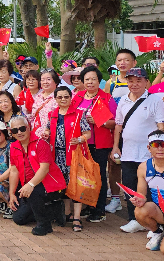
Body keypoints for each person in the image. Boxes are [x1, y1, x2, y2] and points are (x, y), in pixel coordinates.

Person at [113, 67, 164, 233]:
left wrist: (158, 149)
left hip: (148, 154)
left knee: (150, 188)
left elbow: (162, 127)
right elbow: (118, 125)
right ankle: (134, 218)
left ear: (146, 82)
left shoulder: (155, 101)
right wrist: (116, 146)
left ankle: (153, 222)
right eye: (131, 81)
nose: (134, 84)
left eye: (139, 80)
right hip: (128, 152)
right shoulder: (123, 100)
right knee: (130, 186)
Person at [71, 66, 117, 223]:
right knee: (84, 175)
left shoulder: (107, 98)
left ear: (99, 81)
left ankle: (99, 209)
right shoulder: (78, 97)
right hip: (81, 143)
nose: (90, 82)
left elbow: (115, 123)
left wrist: (100, 122)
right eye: (87, 79)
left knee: (99, 176)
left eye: (93, 79)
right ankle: (88, 205)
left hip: (100, 144)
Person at [42, 85, 91, 232]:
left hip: (74, 155)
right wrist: (45, 133)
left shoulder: (78, 114)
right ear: (55, 99)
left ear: (71, 98)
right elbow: (47, 129)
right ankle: (67, 213)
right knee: (62, 185)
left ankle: (77, 218)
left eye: (66, 97)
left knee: (75, 186)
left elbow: (87, 133)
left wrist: (80, 139)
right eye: (60, 97)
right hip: (56, 156)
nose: (63, 99)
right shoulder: (52, 114)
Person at [7, 116, 65, 236]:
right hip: (30, 187)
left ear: (29, 128)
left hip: (52, 185)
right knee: (19, 218)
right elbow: (13, 171)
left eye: (22, 128)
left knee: (33, 192)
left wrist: (30, 185)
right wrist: (12, 193)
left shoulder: (41, 143)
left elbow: (44, 169)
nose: (19, 132)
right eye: (15, 130)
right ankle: (53, 210)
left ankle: (44, 225)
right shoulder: (13, 146)